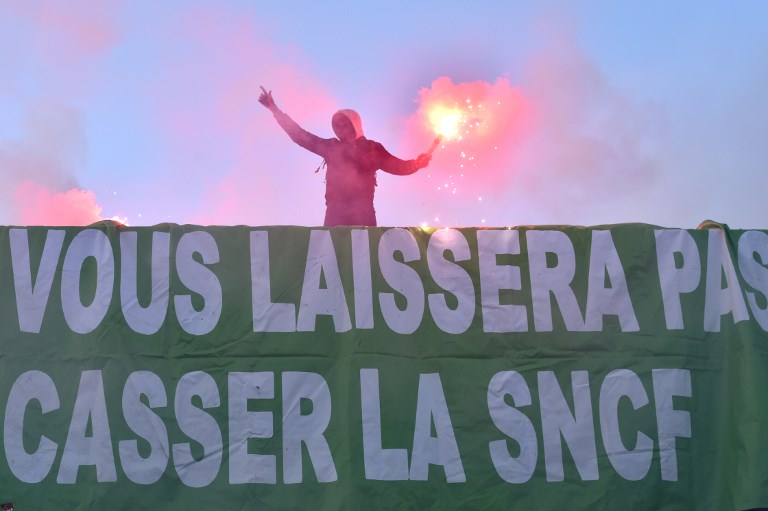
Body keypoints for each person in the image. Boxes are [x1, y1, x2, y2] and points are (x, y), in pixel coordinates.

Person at [258, 86, 432, 227]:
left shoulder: (373, 149)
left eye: (345, 124)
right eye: (337, 125)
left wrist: (417, 164)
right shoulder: (331, 147)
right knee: (335, 259)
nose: (341, 129)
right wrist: (274, 109)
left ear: (355, 124)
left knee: (365, 259)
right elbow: (300, 136)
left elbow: (398, 166)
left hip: (364, 212)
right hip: (335, 213)